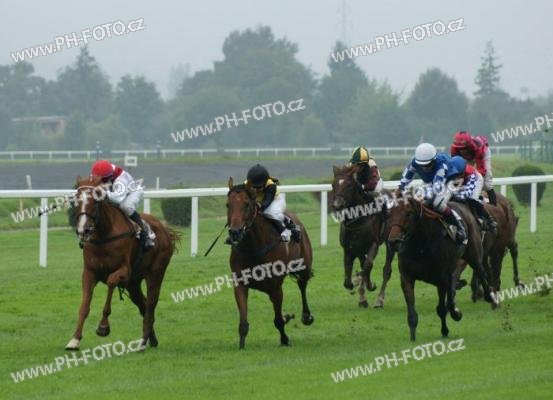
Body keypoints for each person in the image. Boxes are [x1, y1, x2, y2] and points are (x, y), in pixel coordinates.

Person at [397, 143, 467, 245]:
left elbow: (437, 188)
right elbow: (408, 175)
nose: (424, 168)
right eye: (422, 165)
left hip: (449, 181)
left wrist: (424, 198)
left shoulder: (441, 165)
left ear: (434, 160)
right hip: (431, 181)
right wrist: (400, 188)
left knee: (437, 203)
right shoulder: (414, 162)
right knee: (417, 202)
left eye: (427, 165)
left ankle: (459, 227)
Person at [90, 160, 155, 247]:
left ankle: (145, 231)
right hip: (115, 191)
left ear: (109, 176)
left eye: (103, 180)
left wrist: (104, 192)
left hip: (132, 192)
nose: (101, 182)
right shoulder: (103, 171)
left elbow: (118, 199)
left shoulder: (121, 180)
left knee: (125, 206)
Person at [231, 164, 300, 243]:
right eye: (254, 187)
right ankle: (236, 234)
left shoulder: (271, 186)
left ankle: (286, 225)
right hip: (260, 200)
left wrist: (259, 205)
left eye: (259, 187)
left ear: (264, 184)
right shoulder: (246, 185)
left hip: (275, 198)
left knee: (269, 212)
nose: (256, 190)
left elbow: (267, 202)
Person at [449, 156, 498, 232]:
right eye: (456, 175)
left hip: (476, 180)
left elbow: (466, 193)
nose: (457, 177)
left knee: (472, 199)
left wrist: (456, 195)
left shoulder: (472, 175)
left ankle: (489, 219)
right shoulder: (452, 173)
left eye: (459, 175)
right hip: (464, 179)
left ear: (463, 171)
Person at [450, 131, 496, 205]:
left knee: (487, 180)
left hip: (482, 152)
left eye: (464, 148)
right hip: (469, 156)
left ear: (468, 145)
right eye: (460, 149)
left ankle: (493, 204)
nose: (462, 151)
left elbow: (481, 170)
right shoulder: (454, 149)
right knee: (462, 175)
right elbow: (456, 167)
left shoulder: (477, 148)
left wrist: (475, 182)